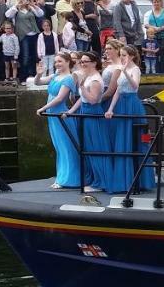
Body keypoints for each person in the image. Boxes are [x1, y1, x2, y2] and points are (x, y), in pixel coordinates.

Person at [104, 46, 154, 193]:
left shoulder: (136, 70)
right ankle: (125, 180)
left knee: (138, 140)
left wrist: (125, 71)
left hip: (132, 104)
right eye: (121, 55)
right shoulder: (120, 69)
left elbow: (135, 86)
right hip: (121, 104)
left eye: (124, 55)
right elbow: (117, 91)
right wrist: (110, 109)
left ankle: (141, 180)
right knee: (122, 140)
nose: (123, 58)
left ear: (131, 56)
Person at [64, 52, 111, 193]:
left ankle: (100, 181)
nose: (83, 64)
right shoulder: (88, 77)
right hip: (85, 111)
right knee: (88, 147)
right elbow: (82, 99)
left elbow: (93, 100)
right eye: (82, 61)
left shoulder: (95, 79)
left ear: (94, 63)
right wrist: (71, 111)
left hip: (92, 113)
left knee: (95, 146)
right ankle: (92, 178)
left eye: (86, 61)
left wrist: (83, 87)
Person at [34, 52, 81, 188]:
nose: (57, 64)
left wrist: (43, 108)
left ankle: (69, 179)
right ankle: (61, 177)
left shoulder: (69, 78)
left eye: (60, 61)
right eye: (55, 62)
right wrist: (39, 73)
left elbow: (60, 98)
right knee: (59, 147)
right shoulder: (55, 75)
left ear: (67, 62)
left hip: (60, 115)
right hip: (52, 115)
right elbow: (38, 82)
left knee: (66, 146)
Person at [144, 0, 164, 74]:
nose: (156, 3)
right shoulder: (148, 13)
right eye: (154, 2)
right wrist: (154, 28)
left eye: (158, 2)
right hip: (152, 39)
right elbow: (146, 24)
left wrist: (160, 29)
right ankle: (155, 73)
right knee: (153, 56)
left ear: (161, 2)